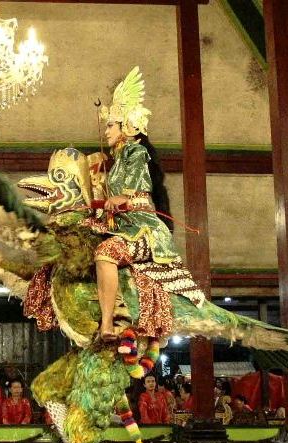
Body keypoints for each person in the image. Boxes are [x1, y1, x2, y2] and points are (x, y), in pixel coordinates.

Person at [93, 67, 203, 341]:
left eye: (110, 125)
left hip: (144, 230)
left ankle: (107, 324)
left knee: (105, 252)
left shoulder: (136, 151)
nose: (106, 131)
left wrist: (119, 199)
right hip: (125, 226)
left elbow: (137, 193)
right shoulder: (118, 159)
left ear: (126, 127)